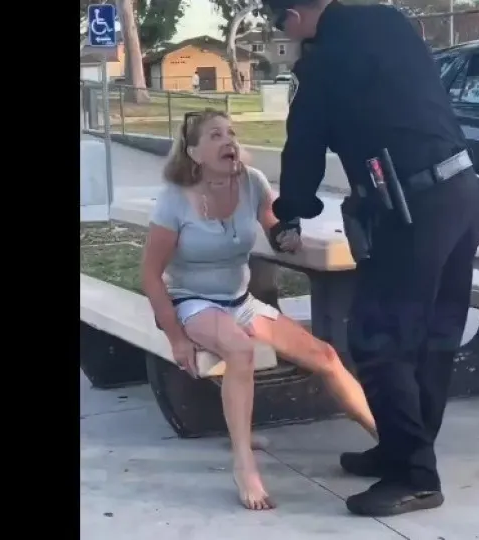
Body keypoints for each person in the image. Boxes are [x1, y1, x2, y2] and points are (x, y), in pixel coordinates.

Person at [261, 0, 479, 517]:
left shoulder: (322, 60)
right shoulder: (388, 19)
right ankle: (403, 450)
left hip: (411, 208)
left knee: (377, 337)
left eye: (279, 26)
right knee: (433, 335)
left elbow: (304, 145)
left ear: (293, 18)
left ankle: (414, 474)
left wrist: (291, 212)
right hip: (462, 191)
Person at [140, 109, 378, 511]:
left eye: (231, 133)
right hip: (192, 301)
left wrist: (286, 236)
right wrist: (177, 339)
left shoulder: (251, 182)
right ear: (194, 152)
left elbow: (274, 224)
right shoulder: (174, 201)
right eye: (215, 135)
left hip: (240, 301)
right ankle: (244, 464)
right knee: (239, 349)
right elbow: (150, 275)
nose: (228, 141)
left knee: (326, 356)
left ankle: (390, 442)